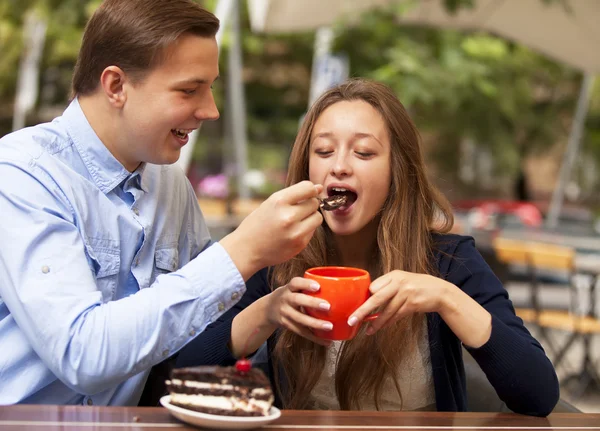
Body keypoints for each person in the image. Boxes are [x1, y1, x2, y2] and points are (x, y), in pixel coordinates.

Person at [0, 0, 323, 405]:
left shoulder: (170, 185)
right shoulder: (22, 173)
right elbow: (81, 354)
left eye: (211, 87)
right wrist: (242, 249)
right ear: (116, 86)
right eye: (189, 90)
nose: (211, 111)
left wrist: (271, 309)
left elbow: (186, 344)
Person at [176, 78, 560, 416]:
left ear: (398, 171)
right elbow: (179, 373)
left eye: (363, 153)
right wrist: (268, 311)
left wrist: (447, 297)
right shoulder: (279, 256)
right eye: (323, 152)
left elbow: (539, 395)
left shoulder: (451, 262)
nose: (339, 167)